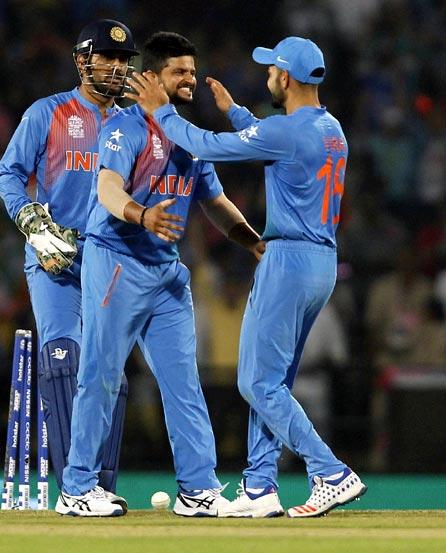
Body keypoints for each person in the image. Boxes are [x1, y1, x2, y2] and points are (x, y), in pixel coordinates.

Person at [129, 36, 367, 518]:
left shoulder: (287, 131)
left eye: (271, 70)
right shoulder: (330, 128)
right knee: (273, 381)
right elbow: (277, 142)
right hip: (321, 262)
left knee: (256, 384)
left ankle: (331, 472)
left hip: (288, 261)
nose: (266, 77)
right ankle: (259, 487)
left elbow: (206, 146)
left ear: (286, 78)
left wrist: (162, 112)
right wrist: (237, 112)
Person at [56, 32, 264, 517]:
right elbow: (107, 187)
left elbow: (215, 202)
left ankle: (197, 490)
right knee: (101, 375)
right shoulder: (122, 129)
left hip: (167, 276)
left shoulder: (187, 136)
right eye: (179, 72)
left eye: (192, 71)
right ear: (151, 78)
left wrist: (251, 239)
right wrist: (141, 215)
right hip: (116, 263)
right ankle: (77, 488)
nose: (190, 79)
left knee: (183, 382)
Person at [0, 19, 138, 508]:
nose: (118, 68)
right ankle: (74, 491)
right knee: (65, 360)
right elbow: (9, 173)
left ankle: (102, 487)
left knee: (109, 372)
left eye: (124, 61)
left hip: (110, 260)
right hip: (55, 257)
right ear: (82, 61)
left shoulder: (134, 122)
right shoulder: (48, 113)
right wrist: (34, 226)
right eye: (108, 58)